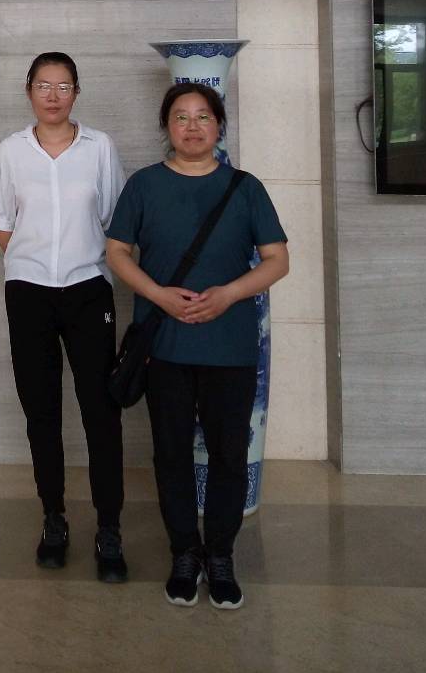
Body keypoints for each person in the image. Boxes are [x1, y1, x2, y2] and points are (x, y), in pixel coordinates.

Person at [105, 82, 289, 610]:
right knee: (170, 454)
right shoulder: (144, 185)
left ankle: (221, 555)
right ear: (167, 126)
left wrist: (229, 293)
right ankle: (185, 552)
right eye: (181, 117)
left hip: (230, 347)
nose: (192, 126)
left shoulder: (245, 188)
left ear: (218, 126)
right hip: (164, 345)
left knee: (230, 455)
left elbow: (278, 260)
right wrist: (158, 294)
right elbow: (116, 251)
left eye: (203, 116)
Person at [0, 51, 128, 583]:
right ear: (29, 91)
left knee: (101, 410)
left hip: (89, 289)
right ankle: (54, 519)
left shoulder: (99, 148)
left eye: (63, 86)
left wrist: (75, 260)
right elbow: (0, 220)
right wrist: (32, 260)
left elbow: (116, 218)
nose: (53, 95)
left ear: (76, 93)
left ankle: (109, 527)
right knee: (41, 410)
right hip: (29, 294)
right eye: (44, 85)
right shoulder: (11, 151)